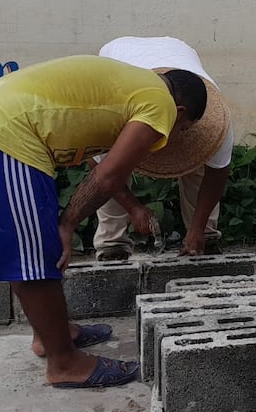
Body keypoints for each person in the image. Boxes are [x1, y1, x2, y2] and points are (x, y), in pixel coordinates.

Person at [0, 55, 209, 389]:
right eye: (182, 131)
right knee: (37, 257)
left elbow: (100, 166)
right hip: (2, 138)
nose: (172, 136)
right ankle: (65, 363)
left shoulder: (135, 87)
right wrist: (68, 223)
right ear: (182, 112)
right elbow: (107, 175)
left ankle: (51, 336)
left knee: (25, 250)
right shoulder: (161, 105)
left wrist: (131, 208)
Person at [92, 36, 233, 259]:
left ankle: (204, 237)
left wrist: (197, 228)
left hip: (178, 50)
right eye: (184, 128)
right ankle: (112, 244)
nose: (182, 135)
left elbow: (217, 173)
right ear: (178, 111)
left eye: (187, 130)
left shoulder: (217, 121)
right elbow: (100, 171)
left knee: (198, 160)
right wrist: (133, 207)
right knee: (115, 164)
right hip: (119, 58)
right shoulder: (114, 108)